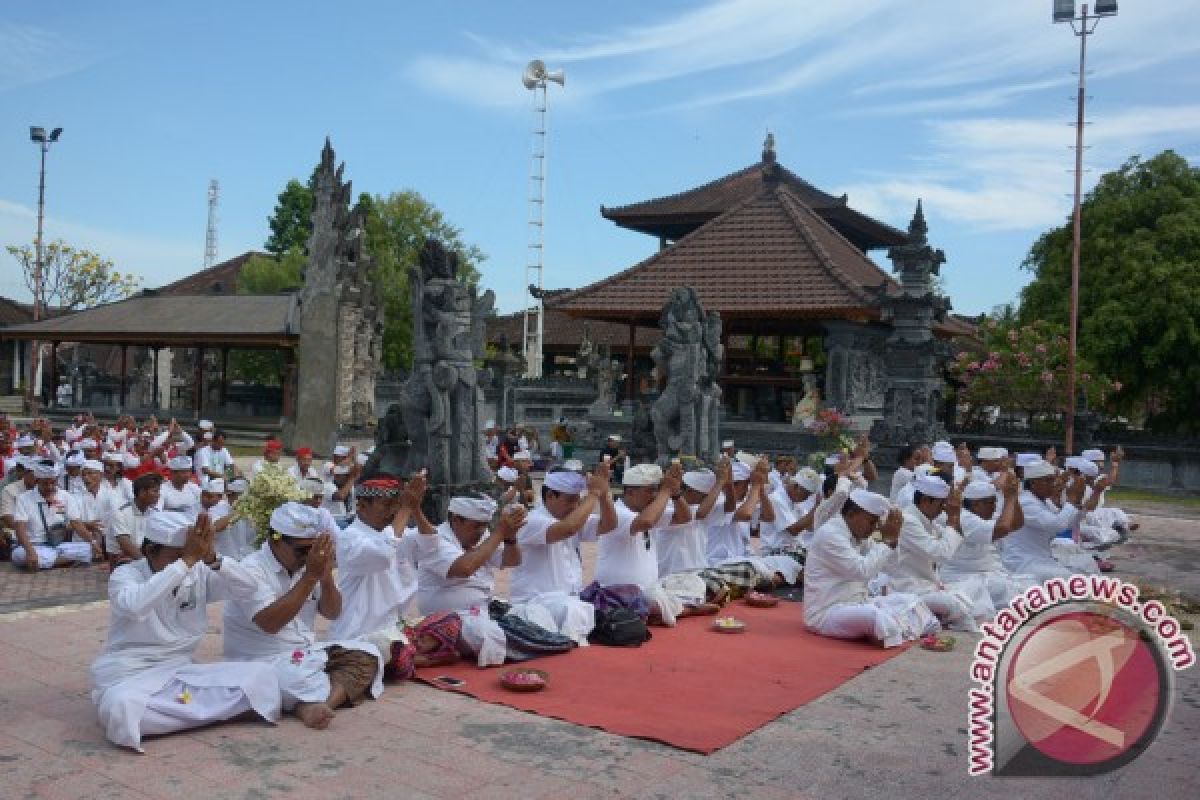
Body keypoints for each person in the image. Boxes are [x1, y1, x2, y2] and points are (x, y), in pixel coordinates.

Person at [90, 511, 281, 752]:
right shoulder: (126, 575)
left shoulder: (197, 571)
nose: (187, 564)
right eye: (177, 556)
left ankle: (181, 714)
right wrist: (186, 562)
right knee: (122, 707)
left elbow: (249, 587)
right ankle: (206, 712)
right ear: (150, 551)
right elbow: (135, 607)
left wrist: (213, 558)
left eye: (189, 556)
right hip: (130, 674)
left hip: (181, 669)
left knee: (263, 675)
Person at [222, 502, 383, 730]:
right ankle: (306, 703)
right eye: (301, 551)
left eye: (312, 549)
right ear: (275, 539)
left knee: (367, 655)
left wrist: (325, 576)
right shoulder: (250, 570)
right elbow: (270, 623)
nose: (308, 557)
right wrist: (310, 577)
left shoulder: (310, 565)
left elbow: (332, 612)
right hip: (263, 660)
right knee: (282, 680)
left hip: (305, 653)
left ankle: (319, 704)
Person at [327, 476, 433, 678]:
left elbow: (431, 544)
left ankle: (406, 655)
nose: (392, 511)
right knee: (395, 652)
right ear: (361, 506)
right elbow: (383, 553)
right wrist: (405, 509)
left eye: (396, 505)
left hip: (393, 626)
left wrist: (415, 508)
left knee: (449, 624)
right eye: (386, 504)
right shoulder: (350, 538)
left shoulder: (391, 532)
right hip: (359, 634)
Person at [804, 489, 937, 647]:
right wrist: (886, 542)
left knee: (912, 599)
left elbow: (891, 567)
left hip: (860, 602)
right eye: (872, 522)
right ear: (852, 513)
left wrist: (893, 541)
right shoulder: (830, 535)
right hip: (827, 613)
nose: (874, 528)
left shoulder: (859, 535)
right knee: (874, 617)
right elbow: (862, 571)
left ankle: (892, 630)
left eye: (876, 523)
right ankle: (896, 629)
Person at [417, 496, 533, 665]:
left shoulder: (482, 536)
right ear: (456, 520)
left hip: (484, 611)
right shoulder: (434, 540)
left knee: (533, 614)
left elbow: (511, 561)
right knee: (488, 634)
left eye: (485, 525)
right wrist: (499, 532)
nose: (481, 531)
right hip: (449, 622)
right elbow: (465, 568)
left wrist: (510, 538)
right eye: (476, 526)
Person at [509, 465, 616, 644]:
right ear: (550, 495)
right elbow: (568, 529)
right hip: (535, 604)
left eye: (577, 500)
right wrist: (594, 493)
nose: (575, 506)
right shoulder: (530, 520)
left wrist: (604, 494)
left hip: (568, 601)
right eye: (570, 500)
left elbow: (609, 525)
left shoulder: (572, 517)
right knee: (574, 611)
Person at [595, 463, 695, 625]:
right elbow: (646, 522)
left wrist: (675, 493)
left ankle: (668, 610)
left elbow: (684, 517)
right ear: (630, 492)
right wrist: (665, 491)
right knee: (654, 599)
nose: (654, 495)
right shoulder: (616, 513)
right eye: (650, 490)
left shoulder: (648, 510)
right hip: (616, 591)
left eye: (656, 490)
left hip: (649, 588)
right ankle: (686, 610)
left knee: (691, 583)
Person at [894, 475, 990, 631]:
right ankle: (971, 634)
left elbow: (951, 540)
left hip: (929, 586)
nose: (944, 508)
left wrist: (955, 515)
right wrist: (953, 516)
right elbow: (940, 553)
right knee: (952, 604)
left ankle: (945, 619)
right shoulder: (908, 521)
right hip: (907, 589)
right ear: (925, 501)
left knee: (978, 588)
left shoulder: (927, 521)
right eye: (941, 504)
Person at [1002, 460, 1105, 581]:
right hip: (1023, 563)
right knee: (1072, 580)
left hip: (1043, 558)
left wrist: (1077, 501)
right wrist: (1072, 500)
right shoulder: (1026, 503)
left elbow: (1068, 522)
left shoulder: (1044, 501)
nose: (1054, 484)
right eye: (1049, 480)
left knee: (1088, 564)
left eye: (1054, 480)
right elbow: (1057, 526)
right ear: (1034, 483)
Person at [941, 476, 1029, 607]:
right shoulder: (964, 518)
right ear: (976, 505)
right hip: (962, 579)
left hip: (985, 575)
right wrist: (1009, 498)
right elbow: (1003, 528)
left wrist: (1014, 497)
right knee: (1007, 590)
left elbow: (1016, 524)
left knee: (1028, 585)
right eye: (991, 503)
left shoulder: (982, 515)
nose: (994, 507)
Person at [11, 461, 97, 569]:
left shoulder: (65, 496)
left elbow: (76, 524)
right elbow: (20, 528)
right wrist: (30, 551)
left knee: (87, 548)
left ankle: (46, 561)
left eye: (53, 483)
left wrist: (93, 542)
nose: (50, 487)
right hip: (33, 545)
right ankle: (62, 561)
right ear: (37, 481)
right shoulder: (24, 499)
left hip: (57, 546)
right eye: (46, 483)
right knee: (19, 555)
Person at [107, 473, 165, 567]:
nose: (158, 495)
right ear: (142, 493)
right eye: (155, 491)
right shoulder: (120, 512)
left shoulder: (155, 513)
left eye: (158, 491)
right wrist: (147, 564)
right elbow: (125, 544)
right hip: (122, 559)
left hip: (144, 557)